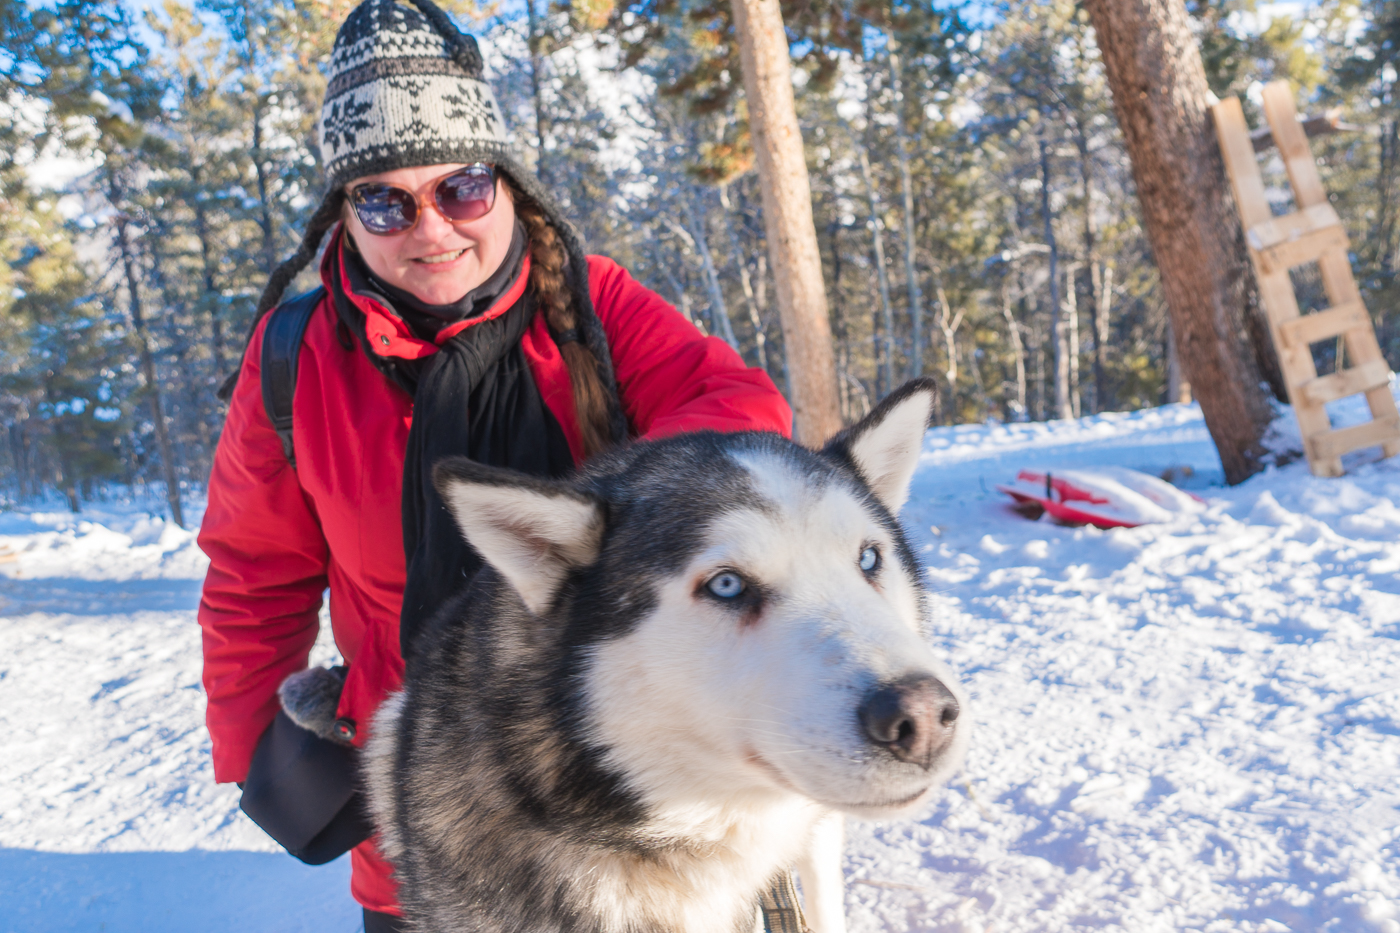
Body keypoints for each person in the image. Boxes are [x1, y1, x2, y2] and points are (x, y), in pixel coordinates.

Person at [195, 0, 792, 929]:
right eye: (384, 200)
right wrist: (256, 753)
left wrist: (589, 528)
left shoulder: (596, 310)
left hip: (622, 782)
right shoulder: (292, 357)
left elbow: (745, 417)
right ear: (344, 213)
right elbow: (252, 571)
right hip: (423, 798)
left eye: (460, 188)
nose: (429, 229)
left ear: (507, 182)